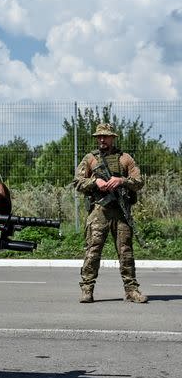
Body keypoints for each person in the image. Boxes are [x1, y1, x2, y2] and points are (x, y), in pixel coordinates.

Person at [74, 123, 147, 304]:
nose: (101, 139)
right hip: (99, 211)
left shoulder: (125, 159)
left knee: (126, 252)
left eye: (105, 136)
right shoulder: (90, 159)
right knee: (93, 251)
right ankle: (87, 289)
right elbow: (77, 182)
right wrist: (95, 182)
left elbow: (139, 181)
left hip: (121, 212)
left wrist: (121, 180)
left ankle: (131, 290)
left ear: (113, 138)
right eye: (99, 136)